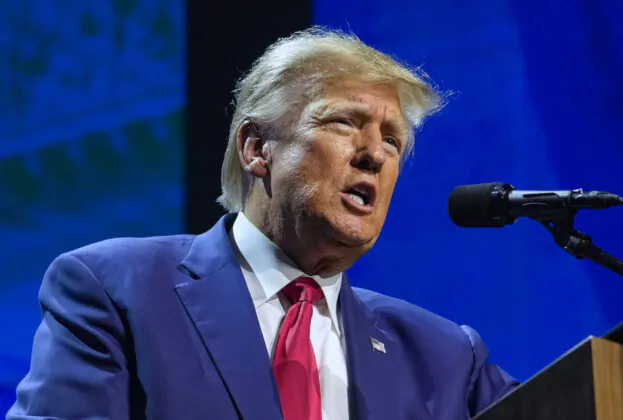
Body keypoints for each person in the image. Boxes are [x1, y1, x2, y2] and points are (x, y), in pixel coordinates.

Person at [8, 27, 517, 420]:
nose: (374, 155)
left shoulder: (446, 358)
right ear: (257, 148)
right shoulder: (116, 290)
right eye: (344, 122)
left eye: (393, 141)